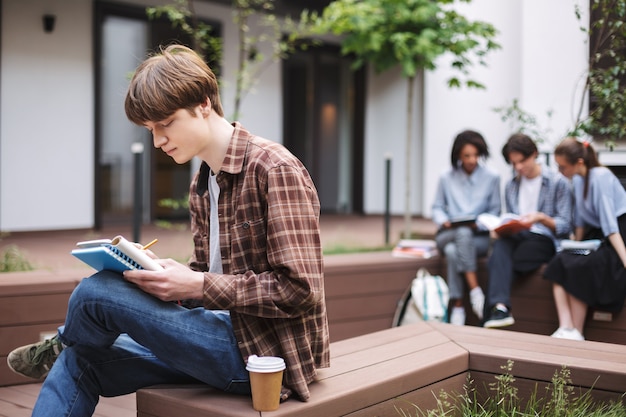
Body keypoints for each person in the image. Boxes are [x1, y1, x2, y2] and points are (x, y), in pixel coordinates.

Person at [7, 44, 330, 415]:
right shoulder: (202, 183)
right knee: (80, 359)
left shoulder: (274, 168)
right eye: (150, 129)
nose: (158, 140)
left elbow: (301, 289)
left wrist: (198, 285)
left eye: (166, 123)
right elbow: (208, 282)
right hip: (214, 335)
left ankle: (63, 341)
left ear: (204, 104)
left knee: (96, 292)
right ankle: (68, 347)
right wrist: (162, 275)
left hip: (263, 357)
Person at [483, 133, 572, 328]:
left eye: (522, 161)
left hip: (543, 239)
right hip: (516, 237)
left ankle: (493, 309)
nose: (518, 167)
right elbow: (511, 218)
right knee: (501, 245)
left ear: (534, 154)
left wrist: (540, 217)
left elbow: (565, 225)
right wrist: (500, 229)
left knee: (497, 261)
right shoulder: (511, 185)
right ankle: (499, 308)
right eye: (513, 164)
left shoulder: (557, 182)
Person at [544, 137, 626, 341]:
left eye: (563, 167)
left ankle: (577, 331)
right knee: (561, 260)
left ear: (579, 162)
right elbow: (580, 221)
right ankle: (566, 327)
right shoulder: (578, 180)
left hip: (617, 236)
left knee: (581, 265)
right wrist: (576, 246)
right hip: (596, 236)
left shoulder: (601, 177)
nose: (560, 172)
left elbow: (610, 226)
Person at [432, 130, 501, 325]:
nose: (472, 160)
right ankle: (475, 291)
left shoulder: (492, 177)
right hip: (448, 232)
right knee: (461, 232)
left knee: (454, 252)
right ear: (458, 156)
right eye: (467, 156)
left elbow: (495, 212)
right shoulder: (446, 177)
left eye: (476, 155)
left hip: (478, 237)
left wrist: (478, 223)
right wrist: (444, 220)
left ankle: (459, 305)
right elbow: (437, 208)